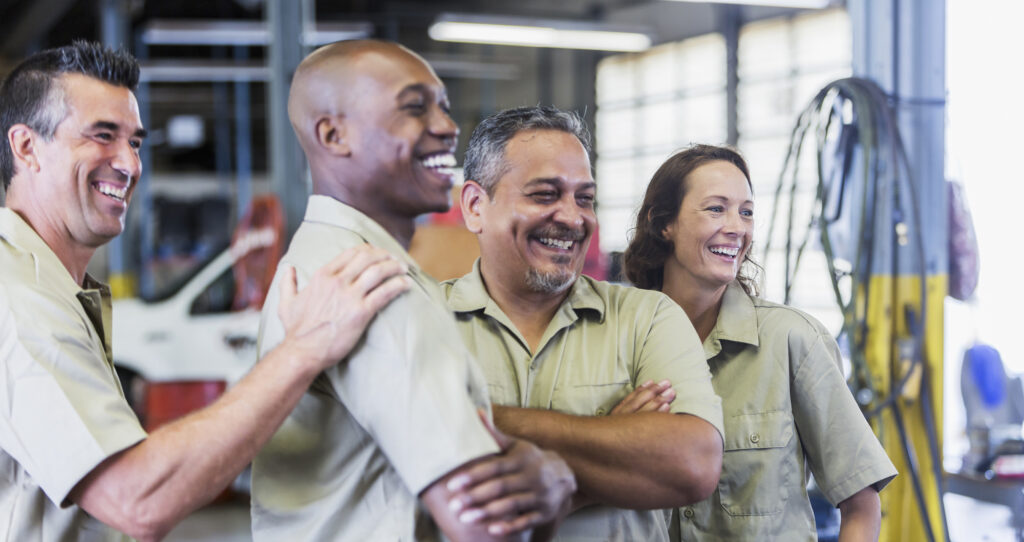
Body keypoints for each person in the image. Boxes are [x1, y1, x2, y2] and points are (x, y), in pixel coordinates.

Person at [0, 41, 411, 542]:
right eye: (102, 136)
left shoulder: (55, 286)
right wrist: (303, 349)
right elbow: (137, 499)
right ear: (26, 148)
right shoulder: (17, 297)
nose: (129, 164)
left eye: (135, 142)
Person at [251, 41, 575, 542]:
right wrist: (556, 483)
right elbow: (487, 526)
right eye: (414, 107)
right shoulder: (369, 284)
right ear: (334, 135)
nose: (447, 126)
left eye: (443, 106)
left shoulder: (316, 258)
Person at [438, 106, 724, 541]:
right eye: (544, 195)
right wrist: (614, 440)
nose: (574, 218)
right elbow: (390, 479)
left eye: (585, 199)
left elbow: (692, 465)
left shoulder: (647, 319)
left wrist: (479, 420)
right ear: (476, 206)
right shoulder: (421, 318)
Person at [623, 144, 898, 541]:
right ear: (664, 223)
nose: (737, 227)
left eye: (746, 212)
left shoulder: (792, 340)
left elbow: (861, 503)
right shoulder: (619, 344)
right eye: (716, 209)